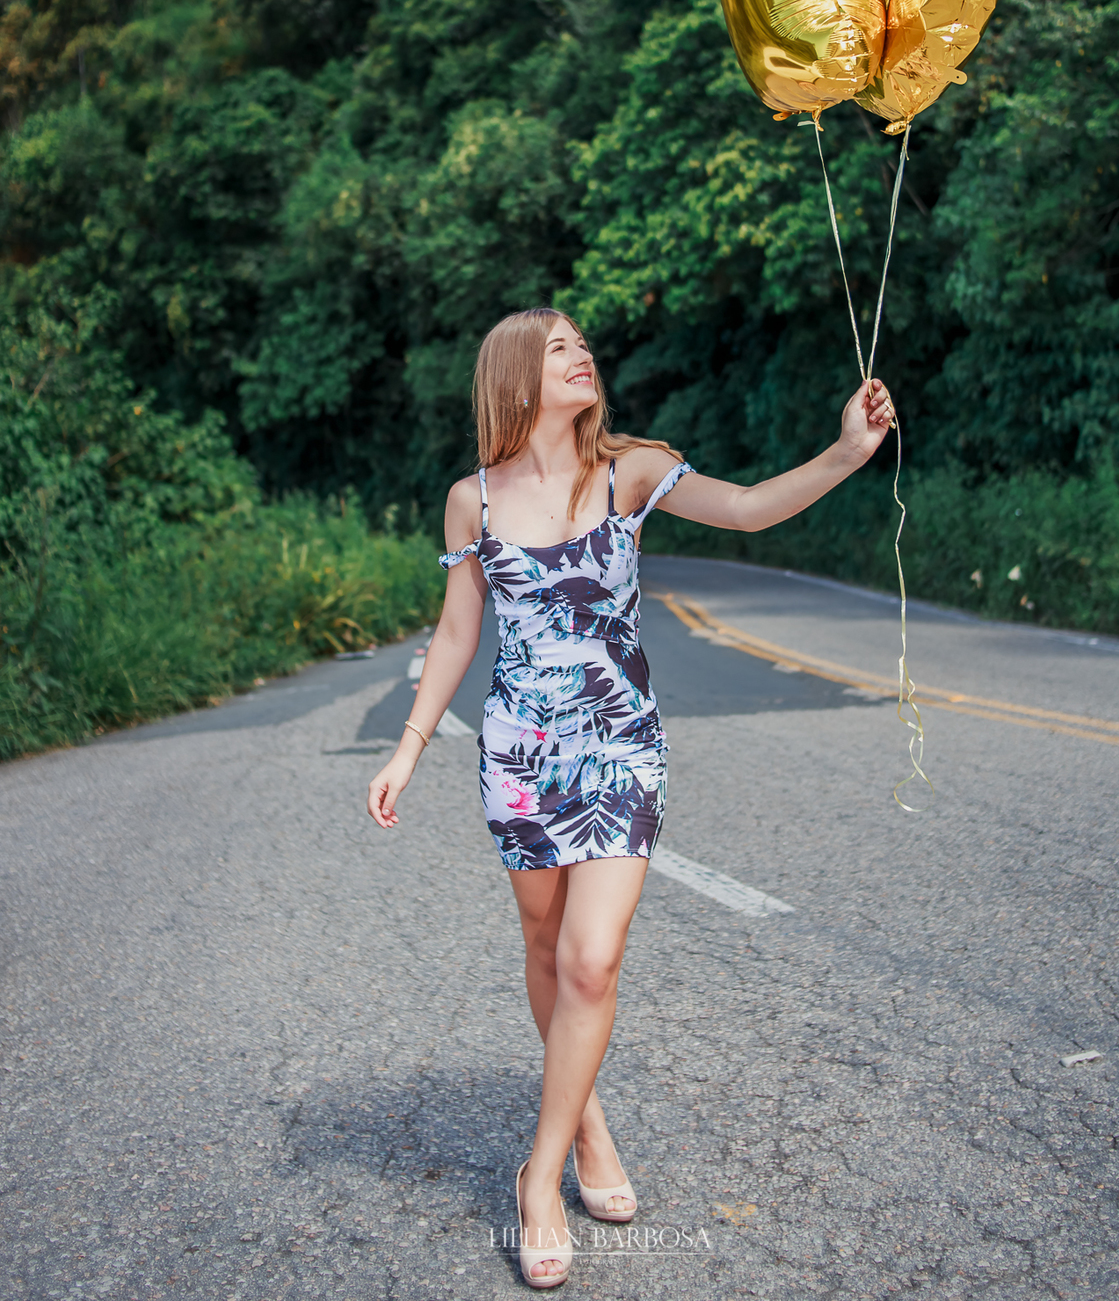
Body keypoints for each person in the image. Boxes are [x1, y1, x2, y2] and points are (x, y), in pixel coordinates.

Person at [367, 308, 894, 1289]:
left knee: (591, 958)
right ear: (515, 376)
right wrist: (408, 749)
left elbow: (749, 509)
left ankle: (536, 1177)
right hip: (521, 758)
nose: (582, 355)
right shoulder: (471, 501)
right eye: (558, 347)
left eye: (581, 343)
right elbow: (457, 633)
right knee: (545, 950)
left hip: (620, 747)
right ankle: (588, 1127)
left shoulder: (633, 471)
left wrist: (845, 452)